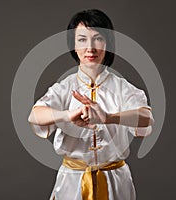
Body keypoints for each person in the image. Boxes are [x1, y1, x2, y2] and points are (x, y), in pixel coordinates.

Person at [28, 9, 154, 200]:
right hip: (72, 181)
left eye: (98, 38)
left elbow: (146, 118)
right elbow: (35, 116)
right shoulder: (64, 88)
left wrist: (109, 118)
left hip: (115, 181)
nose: (90, 47)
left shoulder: (122, 88)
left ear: (108, 43)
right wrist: (66, 116)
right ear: (73, 45)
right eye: (82, 39)